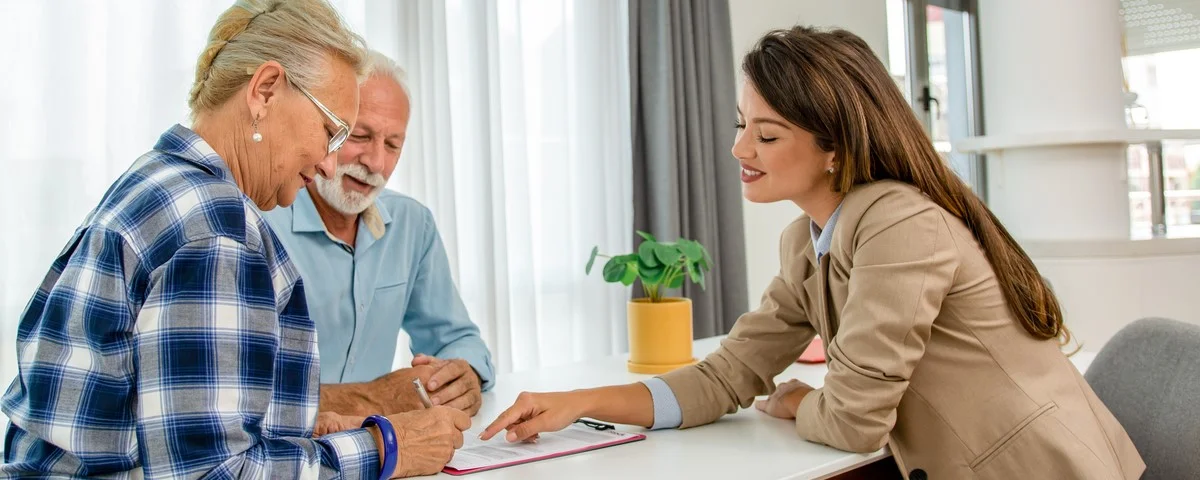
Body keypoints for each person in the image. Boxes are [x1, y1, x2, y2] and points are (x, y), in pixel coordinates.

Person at [480, 26, 1145, 480]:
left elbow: (855, 421)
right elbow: (725, 377)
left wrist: (804, 404)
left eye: (766, 135)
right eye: (742, 127)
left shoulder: (898, 223)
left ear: (835, 148)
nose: (740, 150)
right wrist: (576, 402)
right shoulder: (807, 241)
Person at [1, 1, 467, 478]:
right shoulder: (216, 229)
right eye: (331, 131)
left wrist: (290, 426)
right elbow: (213, 473)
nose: (329, 163)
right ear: (265, 90)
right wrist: (383, 447)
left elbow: (160, 412)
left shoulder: (159, 179)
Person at [261, 51, 494, 422]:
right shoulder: (259, 225)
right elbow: (239, 395)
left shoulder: (412, 224)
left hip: (383, 452)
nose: (375, 163)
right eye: (360, 135)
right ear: (323, 129)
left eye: (392, 144)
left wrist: (463, 373)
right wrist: (372, 399)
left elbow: (457, 339)